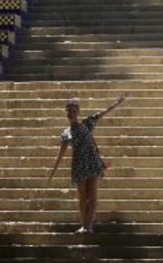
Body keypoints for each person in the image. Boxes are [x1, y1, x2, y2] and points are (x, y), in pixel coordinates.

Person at [48, 94, 127, 233]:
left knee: (92, 195)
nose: (71, 113)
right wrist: (52, 172)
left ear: (78, 112)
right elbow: (60, 154)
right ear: (66, 113)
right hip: (79, 165)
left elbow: (102, 112)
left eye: (73, 110)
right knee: (83, 197)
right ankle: (83, 225)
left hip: (92, 162)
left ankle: (89, 226)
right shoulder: (66, 134)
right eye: (69, 111)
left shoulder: (87, 123)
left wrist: (118, 102)